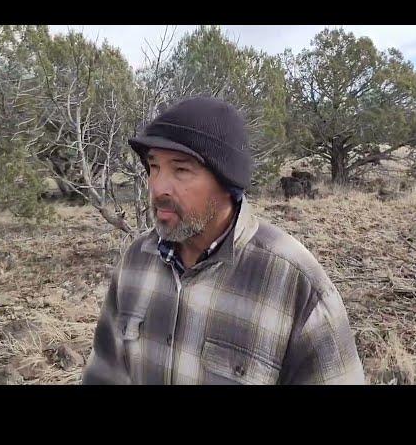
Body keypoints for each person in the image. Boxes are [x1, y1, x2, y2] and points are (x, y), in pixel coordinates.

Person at [82, 96, 364, 385]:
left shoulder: (292, 280)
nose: (158, 187)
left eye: (181, 170)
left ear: (226, 183)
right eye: (154, 167)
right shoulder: (136, 262)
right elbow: (104, 374)